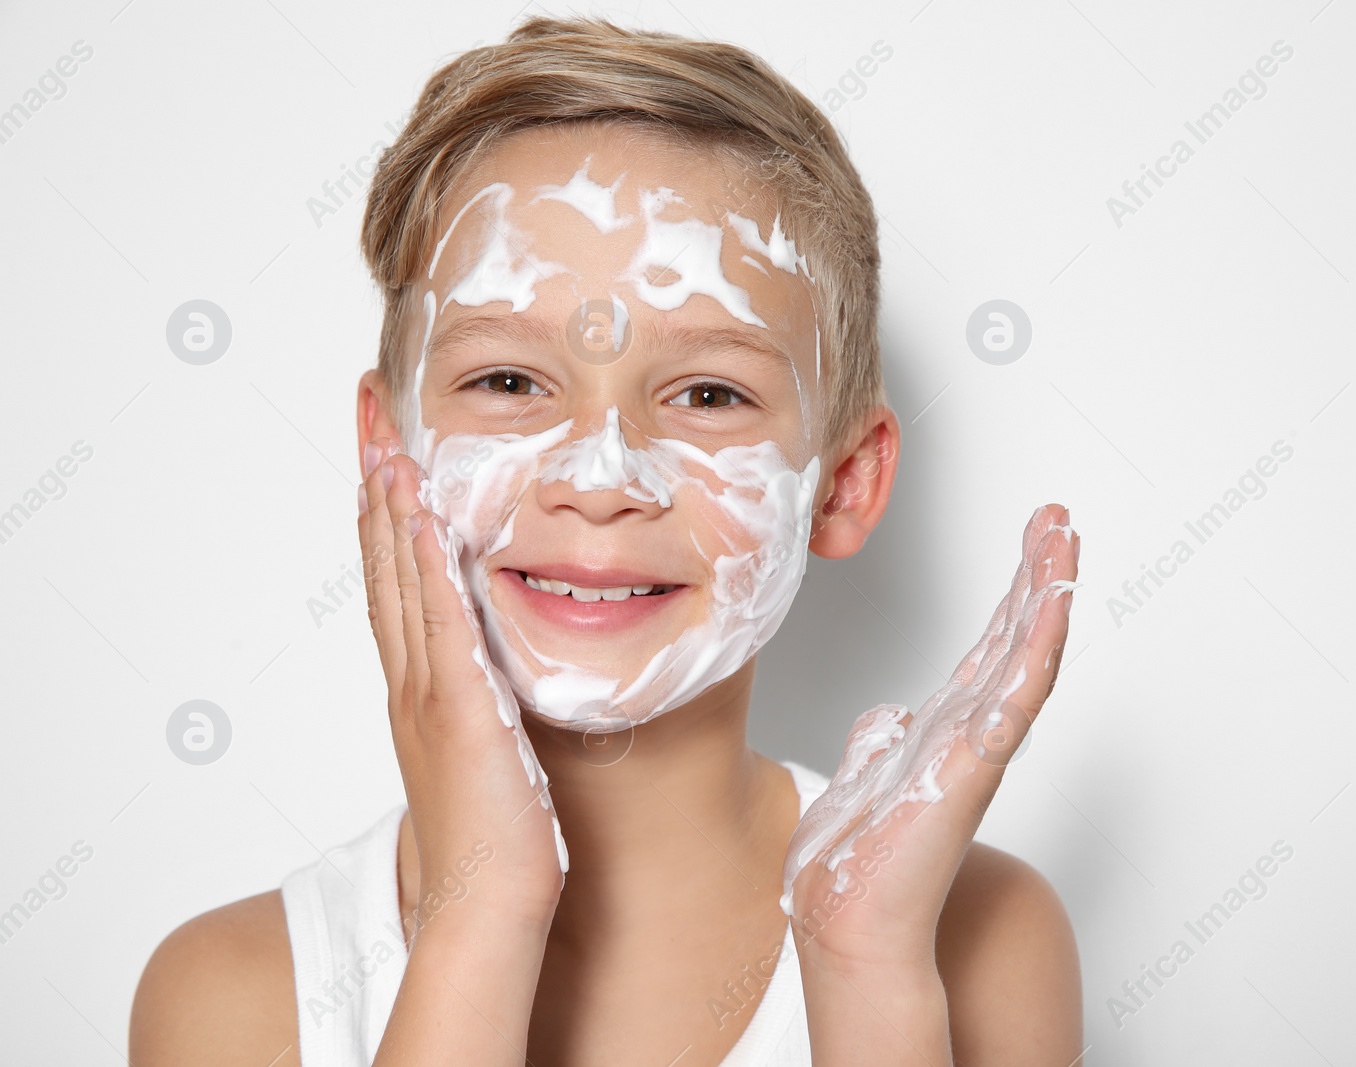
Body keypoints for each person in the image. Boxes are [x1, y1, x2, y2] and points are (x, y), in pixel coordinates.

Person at [129, 15, 1083, 1065]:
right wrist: (479, 906)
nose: (598, 478)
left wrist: (866, 973)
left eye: (708, 392)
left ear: (843, 482)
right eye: (507, 381)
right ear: (384, 446)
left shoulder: (971, 940)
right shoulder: (239, 994)